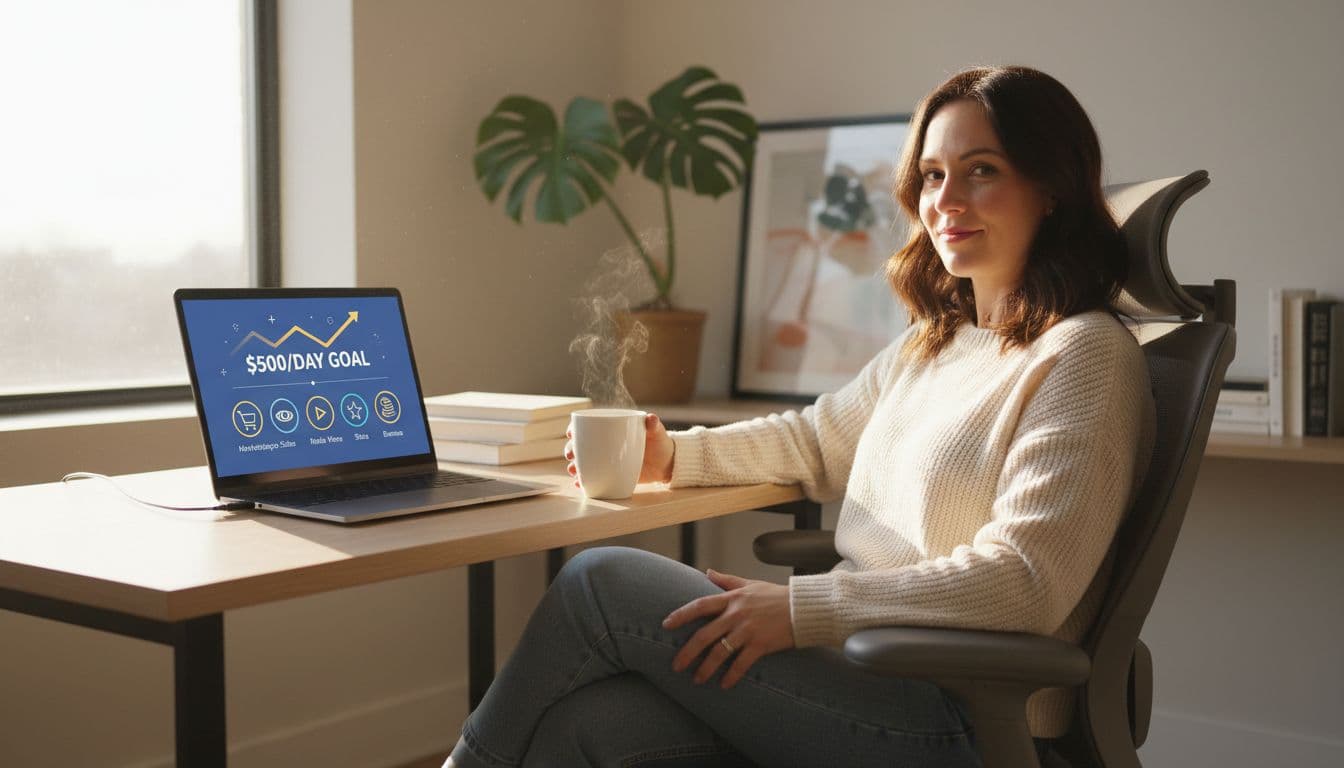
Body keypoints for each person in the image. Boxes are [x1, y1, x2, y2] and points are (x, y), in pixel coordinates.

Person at [446, 65, 1155, 768]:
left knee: (598, 582)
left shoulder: (1083, 357)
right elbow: (816, 441)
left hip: (956, 719)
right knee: (588, 723)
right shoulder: (935, 340)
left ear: (1052, 188)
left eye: (981, 170)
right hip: (856, 678)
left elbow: (1024, 582)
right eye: (933, 176)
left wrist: (799, 611)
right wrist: (676, 458)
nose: (947, 200)